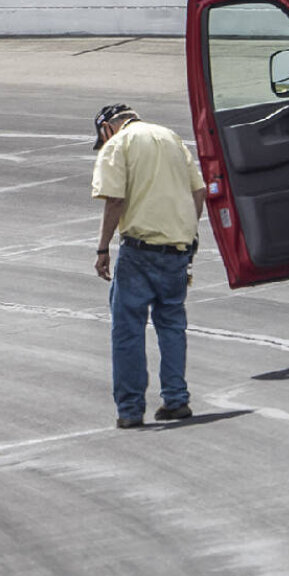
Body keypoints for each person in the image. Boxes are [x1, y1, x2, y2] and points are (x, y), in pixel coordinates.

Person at [91, 104, 207, 428]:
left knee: (127, 329)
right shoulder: (172, 138)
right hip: (177, 250)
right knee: (171, 325)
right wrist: (185, 230)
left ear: (107, 128)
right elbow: (198, 192)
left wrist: (102, 248)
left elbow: (115, 200)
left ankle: (130, 410)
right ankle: (176, 399)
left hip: (139, 252)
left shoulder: (117, 145)